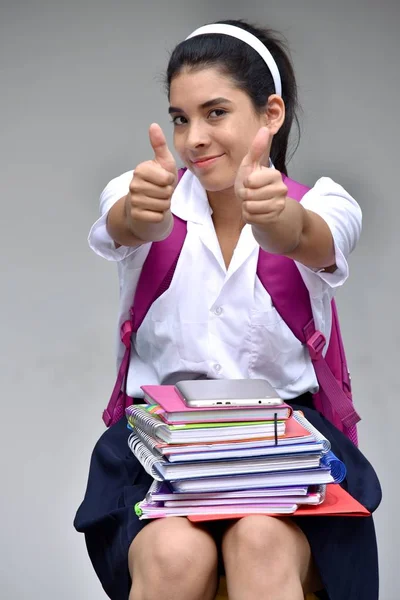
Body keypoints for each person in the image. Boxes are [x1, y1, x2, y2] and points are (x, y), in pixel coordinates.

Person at [74, 19, 381, 600]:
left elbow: (310, 237)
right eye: (181, 117)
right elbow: (128, 222)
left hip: (284, 454)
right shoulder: (143, 190)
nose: (193, 138)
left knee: (260, 541)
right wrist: (143, 215)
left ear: (270, 114)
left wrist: (278, 219)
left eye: (215, 113)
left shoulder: (324, 204)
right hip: (161, 453)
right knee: (173, 551)